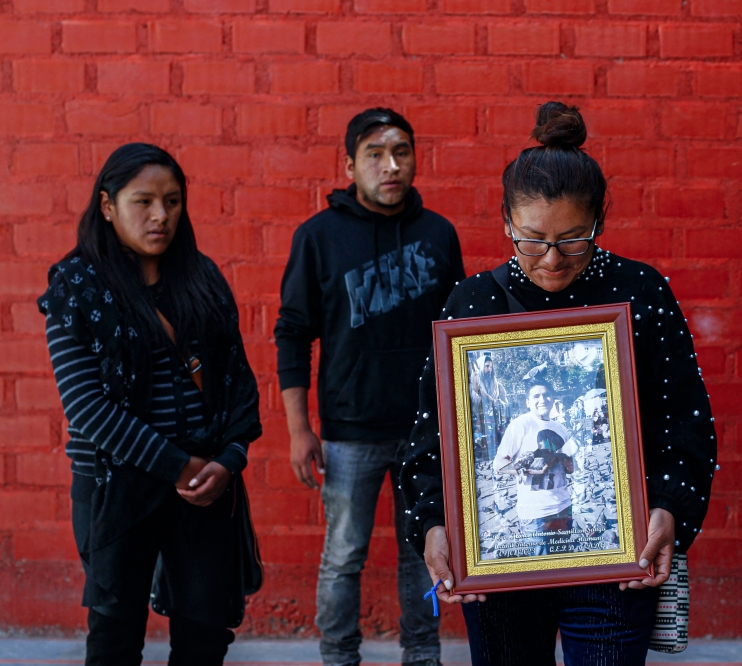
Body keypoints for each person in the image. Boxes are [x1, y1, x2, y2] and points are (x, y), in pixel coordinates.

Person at [400, 102, 717, 665]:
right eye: (531, 239)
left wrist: (669, 508)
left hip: (614, 570)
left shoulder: (639, 292)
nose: (551, 259)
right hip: (500, 568)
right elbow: (431, 436)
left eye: (574, 239)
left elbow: (686, 420)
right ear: (505, 223)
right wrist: (432, 524)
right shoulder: (474, 303)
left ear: (599, 221)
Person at [37, 143, 262, 665]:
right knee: (115, 639)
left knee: (204, 637)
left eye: (173, 201)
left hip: (206, 487)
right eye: (143, 201)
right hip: (115, 487)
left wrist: (228, 461)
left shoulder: (202, 278)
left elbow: (238, 386)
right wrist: (178, 465)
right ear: (108, 205)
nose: (161, 215)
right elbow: (88, 409)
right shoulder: (76, 287)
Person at [274, 107, 465, 666]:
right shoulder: (317, 237)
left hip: (423, 430)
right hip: (349, 429)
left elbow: (455, 333)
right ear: (350, 165)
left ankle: (422, 656)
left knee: (422, 553)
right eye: (375, 155)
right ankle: (338, 658)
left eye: (402, 152)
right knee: (343, 555)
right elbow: (292, 335)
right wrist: (298, 429)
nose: (391, 166)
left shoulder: (437, 234)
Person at [493, 379, 577, 556]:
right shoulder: (520, 424)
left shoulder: (561, 428)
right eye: (536, 396)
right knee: (540, 568)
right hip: (535, 513)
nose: (543, 399)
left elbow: (570, 470)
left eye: (547, 395)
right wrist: (524, 467)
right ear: (528, 402)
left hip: (563, 507)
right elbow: (498, 464)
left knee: (566, 564)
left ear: (553, 399)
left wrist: (563, 457)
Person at [473, 354, 510, 460]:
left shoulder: (498, 386)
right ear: (480, 367)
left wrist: (497, 403)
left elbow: (504, 404)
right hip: (480, 425)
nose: (489, 369)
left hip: (496, 423)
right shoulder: (474, 388)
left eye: (491, 366)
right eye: (486, 366)